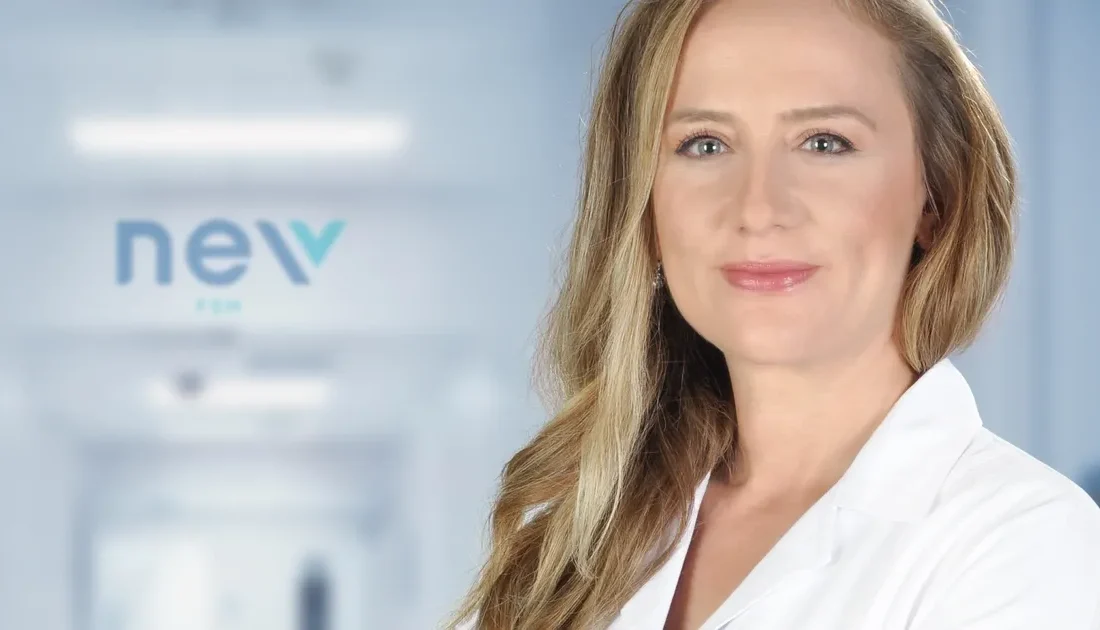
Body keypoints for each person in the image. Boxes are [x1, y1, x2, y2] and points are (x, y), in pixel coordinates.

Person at [450, 0, 1100, 628]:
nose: (758, 208)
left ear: (936, 196)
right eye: (705, 145)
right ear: (643, 205)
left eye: (824, 143)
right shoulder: (565, 548)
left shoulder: (1023, 545)